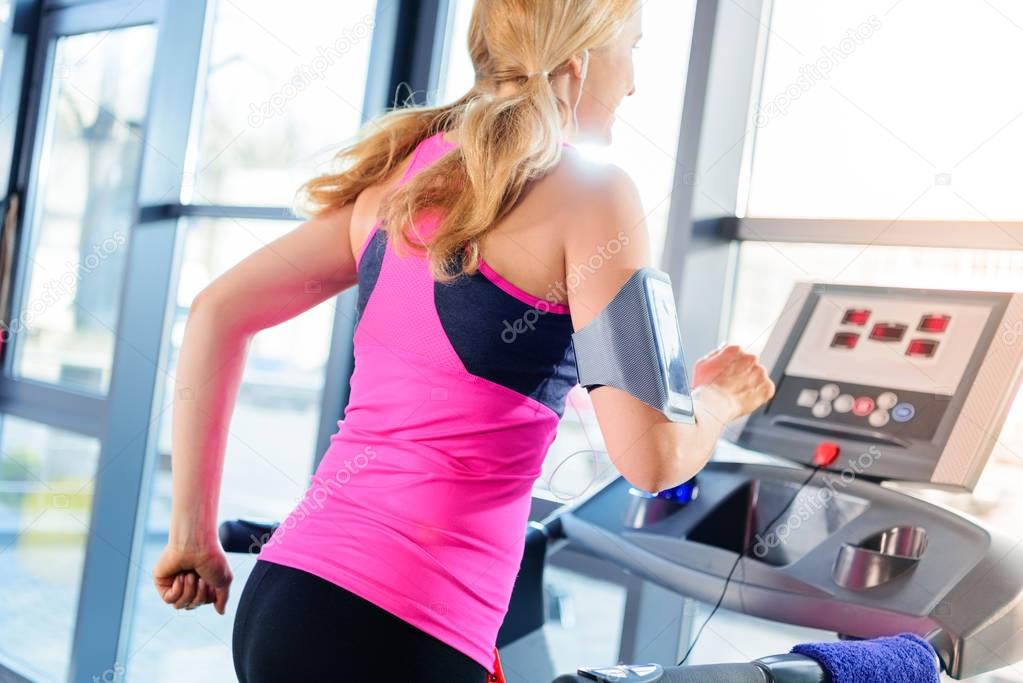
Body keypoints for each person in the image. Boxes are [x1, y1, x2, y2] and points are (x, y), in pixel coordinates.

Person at [151, 0, 775, 681]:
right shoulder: (594, 194)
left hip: (285, 597)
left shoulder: (402, 174)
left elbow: (216, 311)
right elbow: (651, 460)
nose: (632, 82)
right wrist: (716, 399)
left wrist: (191, 533)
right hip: (400, 634)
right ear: (580, 58)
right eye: (632, 49)